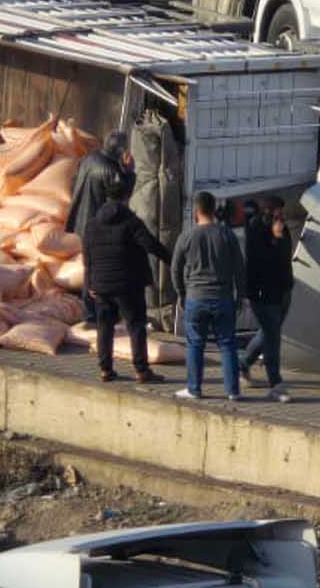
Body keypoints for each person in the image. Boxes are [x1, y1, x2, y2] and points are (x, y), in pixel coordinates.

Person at [83, 175, 170, 384]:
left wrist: (89, 284)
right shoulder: (131, 222)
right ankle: (142, 371)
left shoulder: (92, 224)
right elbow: (151, 246)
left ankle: (105, 370)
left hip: (101, 285)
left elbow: (87, 256)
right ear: (126, 197)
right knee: (136, 326)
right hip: (127, 285)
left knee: (105, 328)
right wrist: (173, 258)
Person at [170, 191, 246, 401]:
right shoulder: (226, 235)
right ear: (214, 209)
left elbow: (175, 269)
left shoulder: (187, 236)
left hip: (196, 297)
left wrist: (181, 293)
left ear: (196, 211)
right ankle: (233, 391)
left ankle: (194, 389)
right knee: (227, 343)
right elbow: (240, 267)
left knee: (195, 344)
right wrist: (240, 295)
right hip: (223, 297)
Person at [240, 196, 294, 401]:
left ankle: (242, 365)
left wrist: (280, 237)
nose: (281, 215)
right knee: (273, 339)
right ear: (268, 211)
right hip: (264, 293)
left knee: (268, 332)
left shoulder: (281, 228)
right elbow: (263, 261)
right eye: (277, 211)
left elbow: (285, 255)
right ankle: (276, 384)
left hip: (283, 290)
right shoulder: (256, 229)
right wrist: (277, 238)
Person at [66, 129, 135, 239]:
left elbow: (73, 184)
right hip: (93, 228)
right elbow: (120, 197)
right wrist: (129, 172)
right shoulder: (112, 170)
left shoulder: (88, 157)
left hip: (76, 221)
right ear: (120, 151)